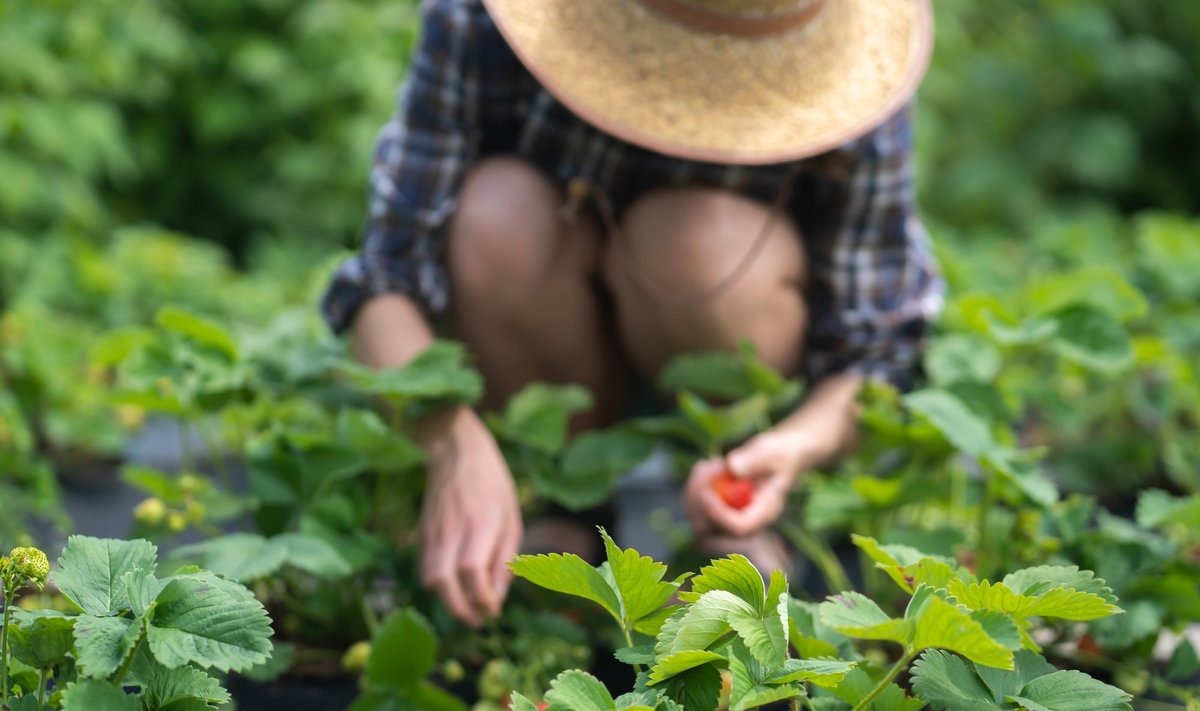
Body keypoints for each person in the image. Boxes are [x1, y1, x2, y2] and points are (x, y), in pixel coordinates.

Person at [322, 0, 943, 628]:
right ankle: (563, 496)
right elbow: (384, 280)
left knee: (699, 242)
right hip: (540, 351)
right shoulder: (480, 23)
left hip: (726, 348)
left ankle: (730, 506)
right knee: (497, 214)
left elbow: (878, 350)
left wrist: (789, 447)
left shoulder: (851, 82)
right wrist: (450, 441)